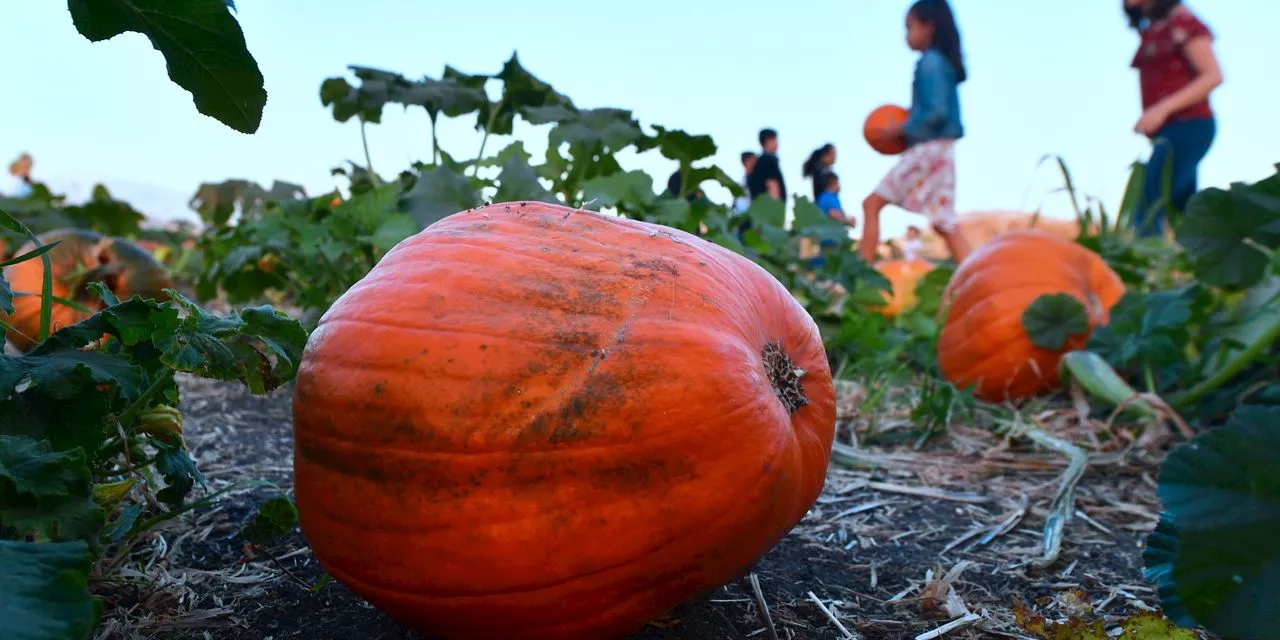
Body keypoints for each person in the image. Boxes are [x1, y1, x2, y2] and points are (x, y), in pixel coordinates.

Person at [859, 0, 970, 265]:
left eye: (909, 27)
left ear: (928, 26)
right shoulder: (942, 63)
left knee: (871, 204)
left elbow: (936, 112)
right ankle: (981, 278)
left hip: (929, 148)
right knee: (945, 223)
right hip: (943, 149)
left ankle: (856, 278)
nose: (906, 35)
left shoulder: (929, 63)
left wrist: (900, 128)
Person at [1125, 0, 1223, 238]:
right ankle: (1189, 267)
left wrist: (1161, 110)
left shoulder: (1182, 23)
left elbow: (1212, 75)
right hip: (1171, 130)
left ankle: (1142, 264)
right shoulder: (1155, 28)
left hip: (1189, 125)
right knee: (1183, 210)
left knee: (1149, 203)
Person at [747, 128, 785, 202]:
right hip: (769, 207)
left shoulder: (760, 161)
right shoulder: (767, 160)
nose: (777, 144)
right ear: (768, 141)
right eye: (775, 140)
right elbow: (772, 185)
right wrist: (776, 207)